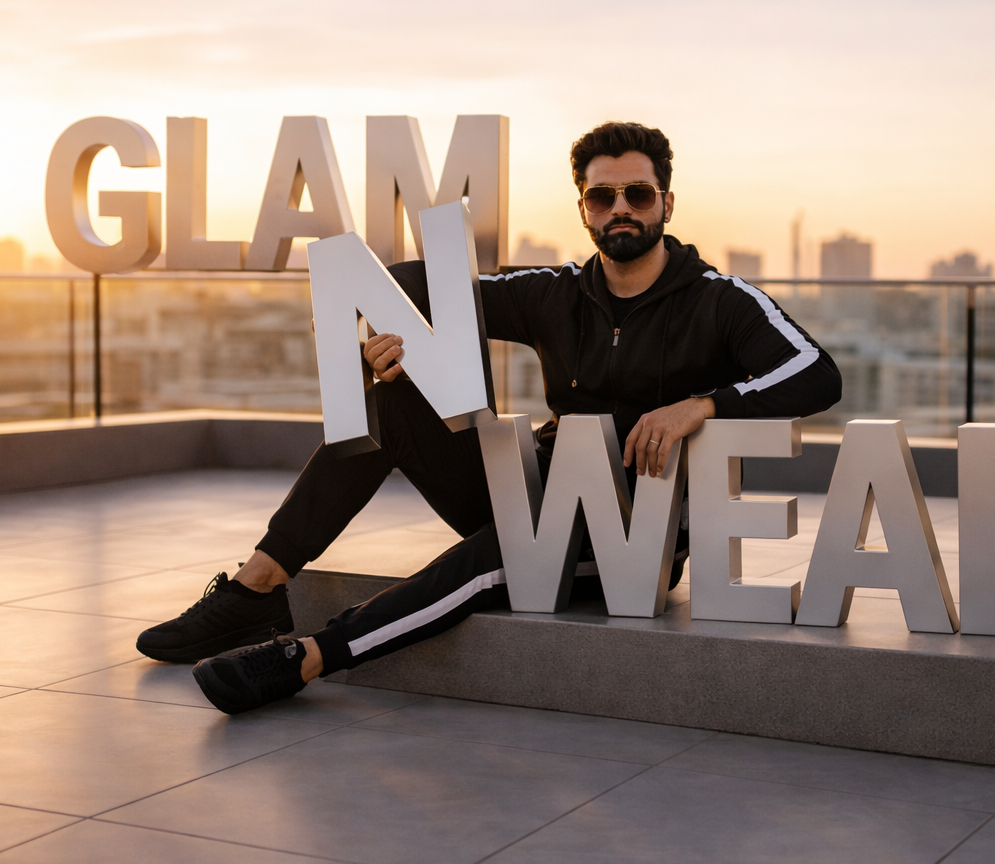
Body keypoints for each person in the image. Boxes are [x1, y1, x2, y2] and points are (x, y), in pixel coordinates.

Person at [135, 121, 843, 713]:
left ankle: (313, 656)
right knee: (392, 399)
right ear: (584, 208)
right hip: (538, 479)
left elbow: (817, 373)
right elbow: (412, 286)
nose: (620, 207)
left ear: (665, 202)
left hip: (633, 530)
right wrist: (378, 342)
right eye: (603, 196)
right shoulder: (555, 293)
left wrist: (704, 405)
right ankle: (256, 586)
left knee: (502, 550)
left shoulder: (718, 300)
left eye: (638, 193)